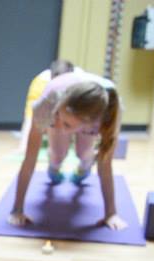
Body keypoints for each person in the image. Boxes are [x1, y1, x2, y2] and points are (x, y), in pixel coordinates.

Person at [11, 71, 126, 231]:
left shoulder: (111, 112)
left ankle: (84, 168)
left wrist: (111, 213)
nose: (59, 126)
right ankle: (54, 167)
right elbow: (29, 159)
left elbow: (105, 165)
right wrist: (17, 210)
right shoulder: (49, 102)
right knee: (58, 154)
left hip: (90, 110)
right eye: (59, 118)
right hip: (61, 101)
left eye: (67, 125)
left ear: (90, 124)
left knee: (83, 152)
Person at [17, 59, 76, 152]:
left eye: (62, 83)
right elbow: (31, 116)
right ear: (51, 77)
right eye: (56, 82)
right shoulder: (40, 83)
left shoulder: (79, 82)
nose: (59, 85)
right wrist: (24, 146)